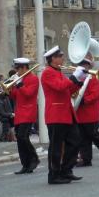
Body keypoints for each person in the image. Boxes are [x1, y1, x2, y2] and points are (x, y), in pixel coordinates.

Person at [41, 46, 84, 184]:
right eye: (60, 56)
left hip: (66, 113)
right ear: (53, 59)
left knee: (75, 141)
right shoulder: (47, 72)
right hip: (56, 114)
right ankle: (53, 175)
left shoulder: (58, 72)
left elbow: (68, 90)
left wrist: (79, 80)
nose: (62, 58)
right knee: (56, 146)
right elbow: (59, 87)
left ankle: (66, 169)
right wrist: (72, 77)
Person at [74, 59, 99, 167]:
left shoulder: (93, 78)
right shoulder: (77, 78)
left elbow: (95, 94)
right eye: (80, 65)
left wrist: (84, 100)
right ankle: (86, 159)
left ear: (87, 67)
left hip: (89, 112)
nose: (82, 67)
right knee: (83, 137)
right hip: (80, 112)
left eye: (84, 66)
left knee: (93, 134)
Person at [8, 58, 40, 174]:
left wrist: (19, 83)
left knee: (23, 136)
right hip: (19, 112)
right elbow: (15, 96)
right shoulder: (19, 79)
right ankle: (25, 164)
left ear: (24, 68)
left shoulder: (33, 79)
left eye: (17, 69)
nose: (16, 71)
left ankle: (33, 159)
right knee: (20, 139)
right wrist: (8, 90)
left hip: (28, 112)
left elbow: (29, 94)